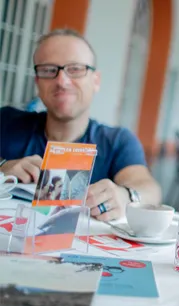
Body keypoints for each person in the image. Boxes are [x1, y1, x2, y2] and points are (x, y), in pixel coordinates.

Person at [0, 29, 161, 221]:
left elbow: (150, 190)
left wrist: (126, 195)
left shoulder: (117, 141)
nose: (62, 81)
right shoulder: (6, 122)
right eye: (49, 70)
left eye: (75, 69)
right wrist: (2, 168)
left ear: (96, 81)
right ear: (37, 82)